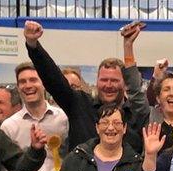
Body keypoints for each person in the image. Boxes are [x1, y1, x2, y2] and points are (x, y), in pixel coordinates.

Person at [23, 20, 149, 152]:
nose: (109, 85)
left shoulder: (136, 113)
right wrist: (33, 46)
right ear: (97, 82)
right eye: (104, 80)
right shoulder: (79, 104)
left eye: (114, 80)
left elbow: (137, 93)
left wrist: (128, 47)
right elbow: (53, 79)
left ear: (124, 83)